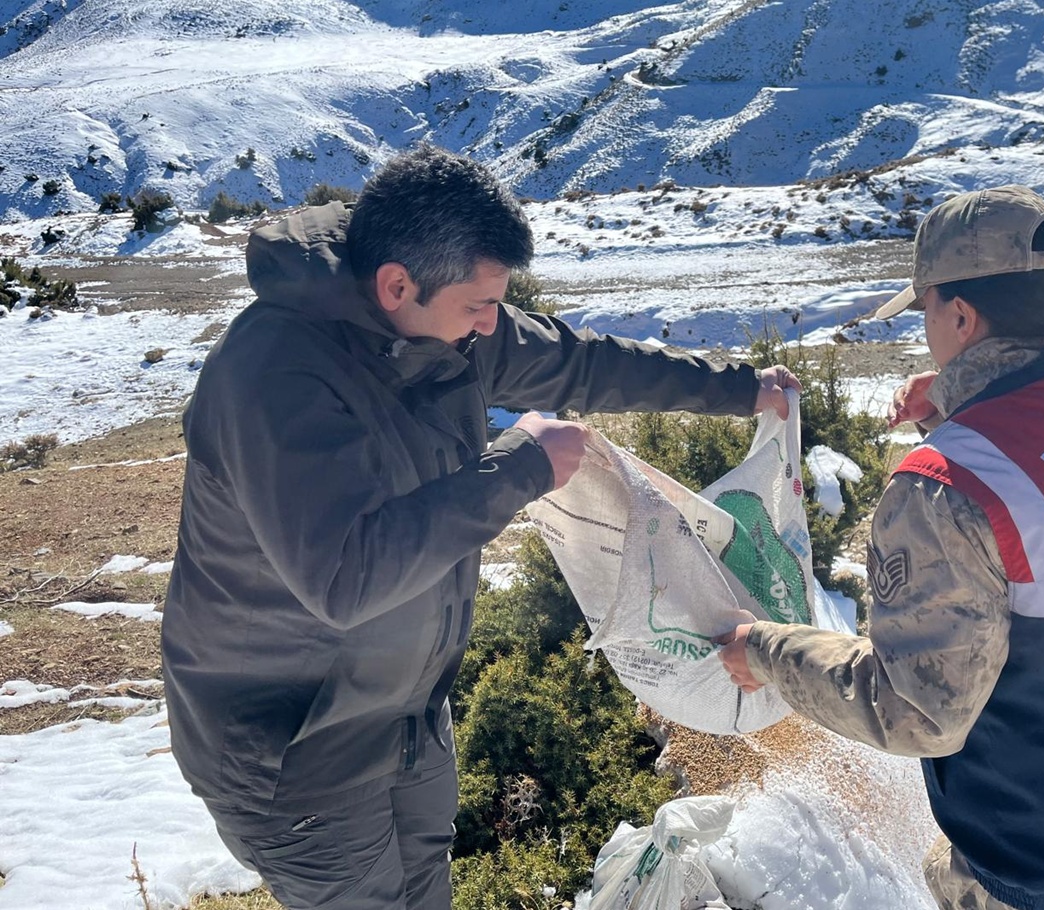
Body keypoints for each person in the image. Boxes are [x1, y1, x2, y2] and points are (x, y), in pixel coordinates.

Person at [162, 144, 799, 910]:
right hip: (293, 754)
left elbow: (582, 363)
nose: (493, 326)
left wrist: (743, 389)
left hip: (405, 713)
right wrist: (521, 467)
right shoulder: (272, 376)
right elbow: (345, 576)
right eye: (479, 307)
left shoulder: (445, 320)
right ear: (397, 284)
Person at [718, 185, 1044, 910]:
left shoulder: (944, 488)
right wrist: (968, 403)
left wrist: (767, 652)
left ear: (960, 315)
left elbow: (914, 711)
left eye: (929, 309)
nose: (924, 328)